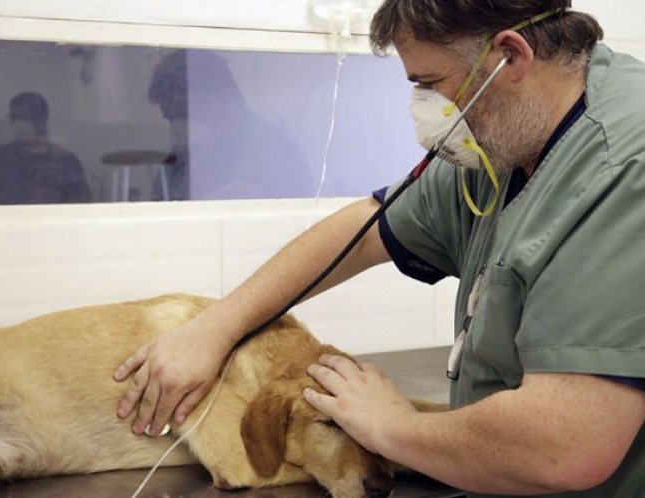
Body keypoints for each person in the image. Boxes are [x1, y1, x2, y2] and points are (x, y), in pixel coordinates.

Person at [113, 1, 645, 496]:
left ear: (511, 55)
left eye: (431, 83)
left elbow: (566, 444)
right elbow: (369, 227)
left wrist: (391, 426)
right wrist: (214, 327)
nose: (427, 110)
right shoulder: (507, 141)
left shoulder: (623, 167)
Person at [147, 50, 314, 201]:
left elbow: (241, 198)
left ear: (225, 101)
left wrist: (202, 166)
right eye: (171, 119)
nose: (177, 130)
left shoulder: (272, 148)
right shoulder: (182, 159)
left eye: (186, 116)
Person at [0, 92, 91, 205]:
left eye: (23, 117)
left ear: (42, 121)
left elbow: (80, 209)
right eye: (14, 117)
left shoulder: (66, 161)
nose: (16, 123)